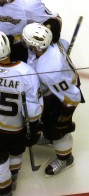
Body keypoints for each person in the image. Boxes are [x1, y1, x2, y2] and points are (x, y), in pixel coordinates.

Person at [0, 31, 43, 196]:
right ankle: (13, 175)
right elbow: (33, 108)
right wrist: (34, 127)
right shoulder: (26, 72)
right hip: (16, 126)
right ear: (10, 48)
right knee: (16, 151)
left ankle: (4, 191)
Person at [22, 22, 84, 176]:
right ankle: (49, 137)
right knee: (47, 124)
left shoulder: (49, 69)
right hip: (51, 92)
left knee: (58, 131)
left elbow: (71, 94)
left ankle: (65, 159)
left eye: (27, 41)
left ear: (36, 46)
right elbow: (63, 40)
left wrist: (65, 115)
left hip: (61, 98)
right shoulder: (54, 43)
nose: (24, 42)